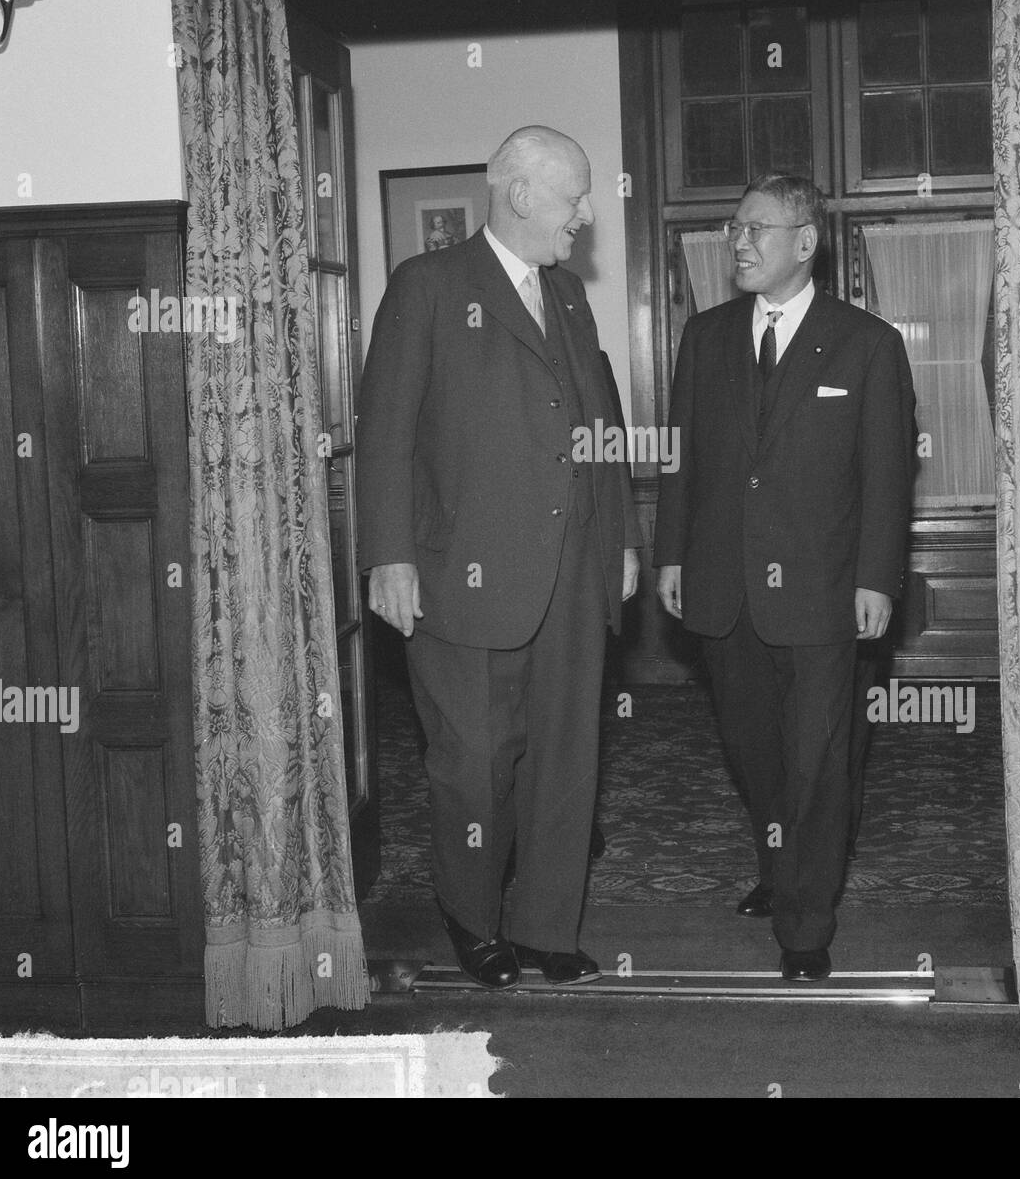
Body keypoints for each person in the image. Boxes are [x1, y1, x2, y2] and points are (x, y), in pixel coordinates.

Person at [356, 125, 641, 989]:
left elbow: (601, 429)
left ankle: (549, 927)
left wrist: (622, 538)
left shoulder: (569, 300)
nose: (586, 216)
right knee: (473, 765)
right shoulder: (429, 287)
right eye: (575, 197)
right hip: (460, 579)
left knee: (565, 762)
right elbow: (388, 433)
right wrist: (388, 558)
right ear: (521, 193)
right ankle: (473, 918)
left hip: (572, 570)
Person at [653, 173, 915, 982]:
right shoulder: (705, 336)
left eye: (756, 229)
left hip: (825, 594)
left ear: (806, 242)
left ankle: (806, 925)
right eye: (734, 228)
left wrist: (876, 579)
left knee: (817, 759)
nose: (739, 241)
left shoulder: (868, 344)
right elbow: (681, 461)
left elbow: (887, 476)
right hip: (725, 592)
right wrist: (670, 554)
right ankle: (779, 869)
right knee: (755, 752)